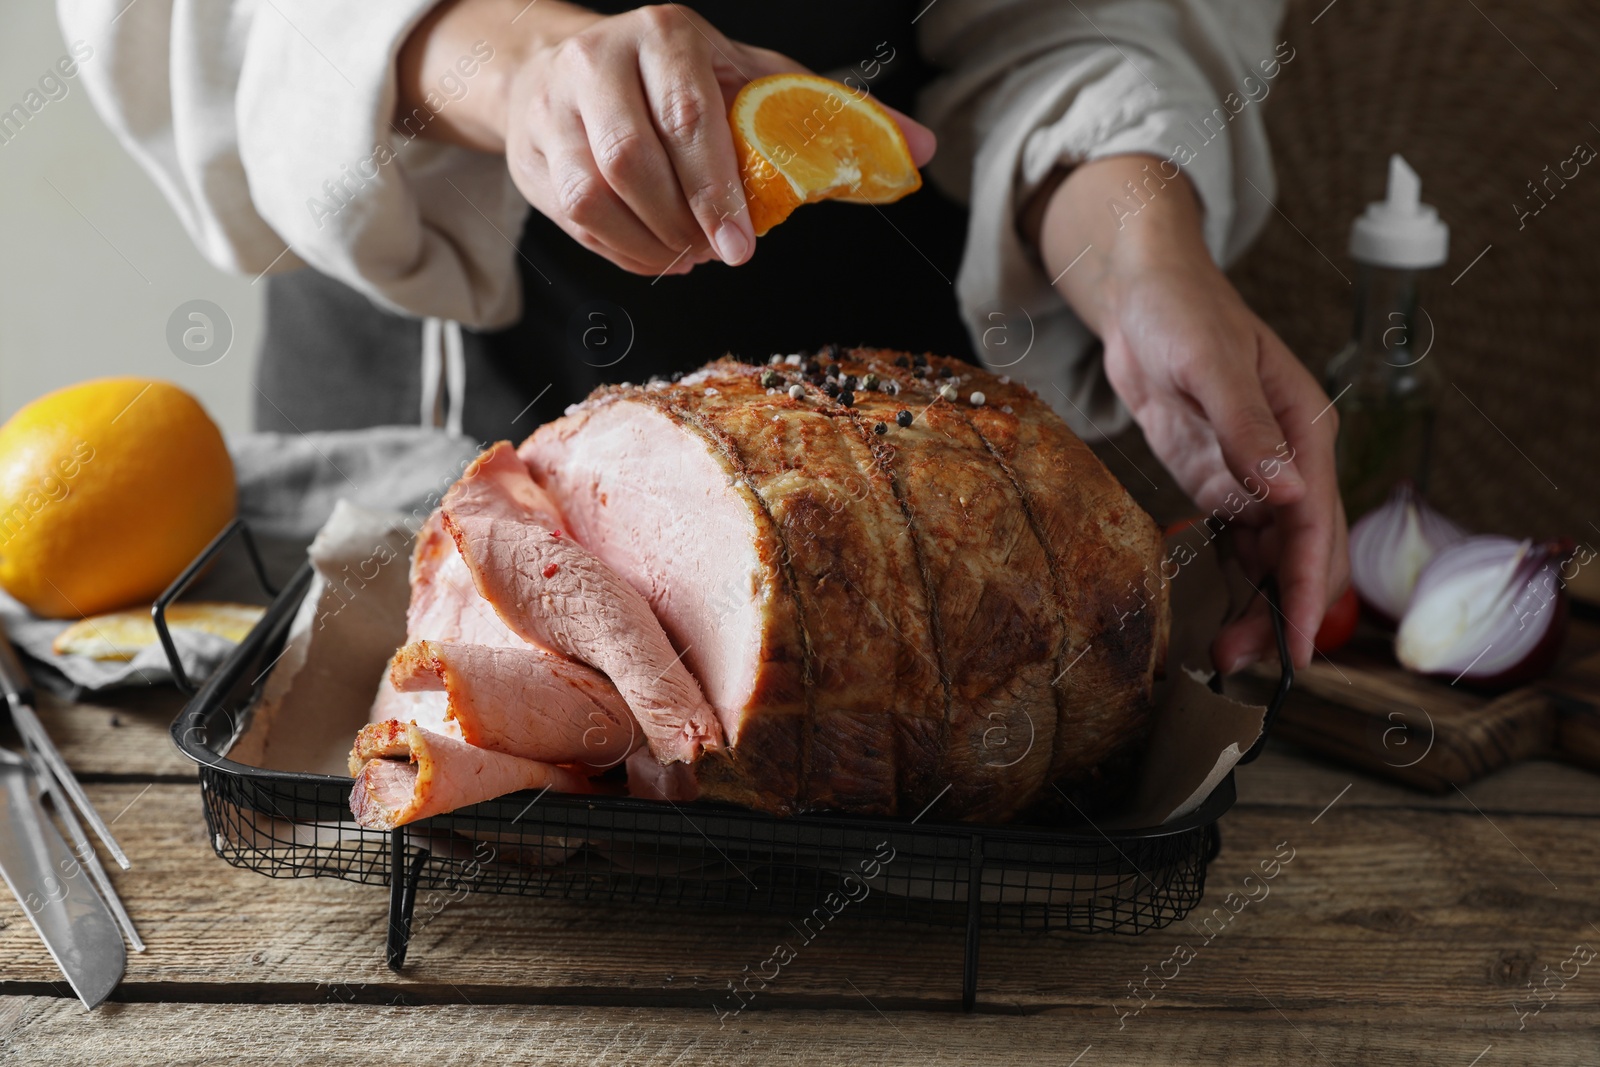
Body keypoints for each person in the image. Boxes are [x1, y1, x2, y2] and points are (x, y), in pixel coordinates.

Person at [62, 0, 1346, 673]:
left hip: (904, 481)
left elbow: (1080, 16)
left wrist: (1142, 259)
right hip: (410, 407)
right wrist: (527, 74)